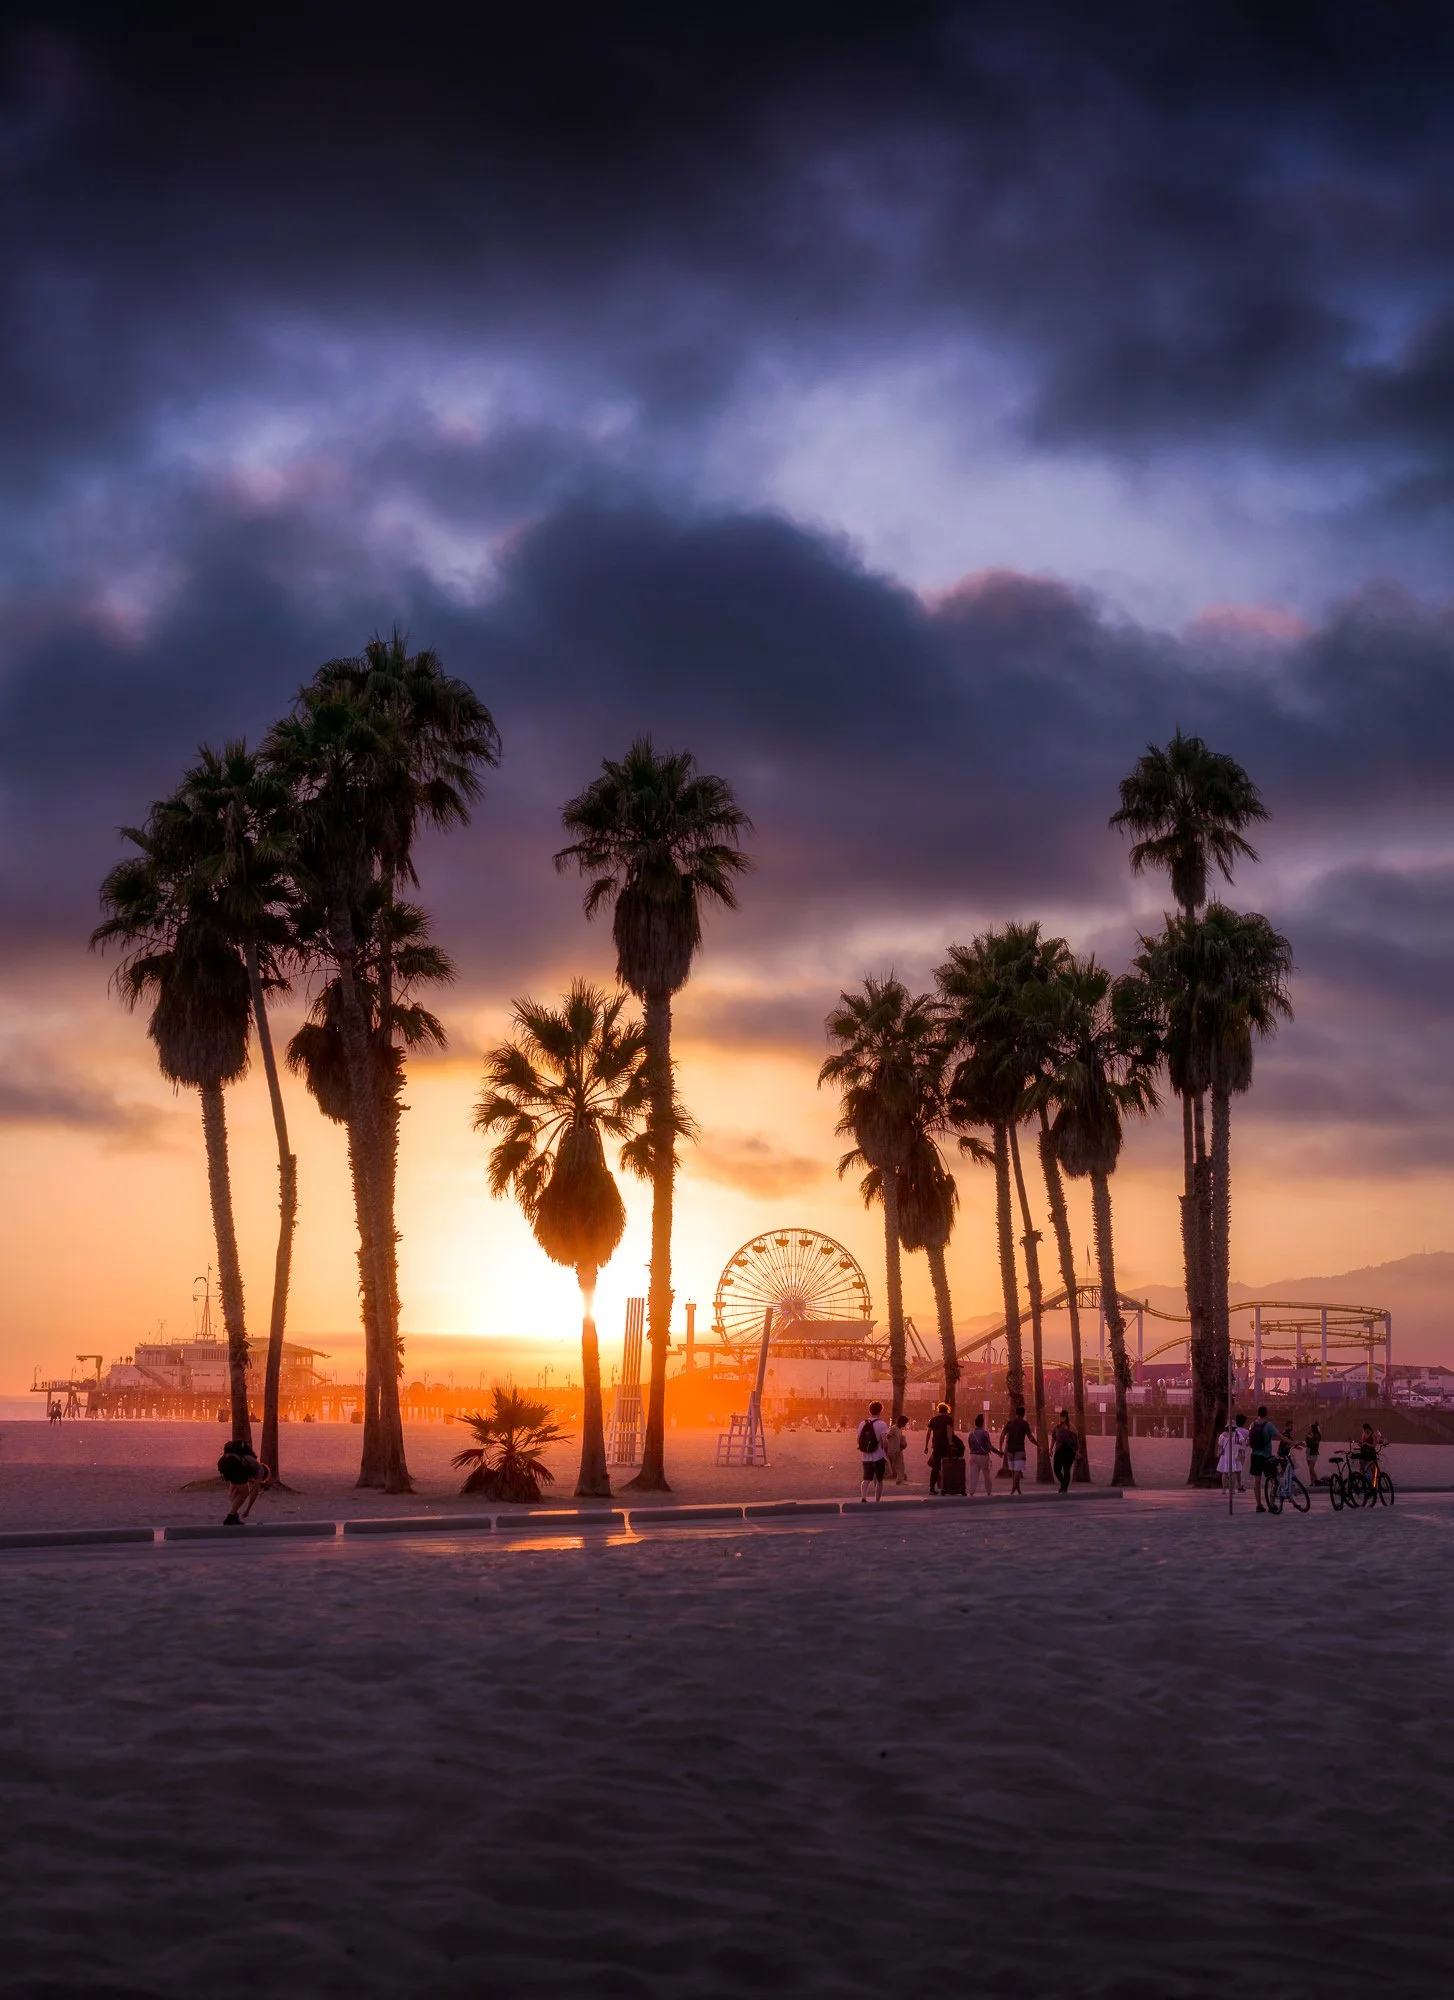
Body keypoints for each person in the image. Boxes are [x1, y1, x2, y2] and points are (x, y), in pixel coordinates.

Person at [218, 1436, 269, 1525]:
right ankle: (230, 1517)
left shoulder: (246, 1459)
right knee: (245, 1492)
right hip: (234, 1463)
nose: (253, 1481)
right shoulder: (260, 1470)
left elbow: (232, 1492)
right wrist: (248, 1509)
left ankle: (234, 1515)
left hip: (222, 1461)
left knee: (238, 1491)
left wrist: (235, 1510)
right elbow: (254, 1492)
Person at [998, 1401, 1037, 1497]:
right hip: (1019, 1450)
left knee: (1016, 1470)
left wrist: (1000, 1447)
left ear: (1016, 1413)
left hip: (1010, 1450)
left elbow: (1002, 1435)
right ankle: (1013, 1489)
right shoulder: (1024, 1423)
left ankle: (1018, 1489)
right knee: (1017, 1470)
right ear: (1023, 1414)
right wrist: (1038, 1445)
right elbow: (1030, 1437)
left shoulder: (1010, 1423)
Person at [1247, 1405, 1280, 1513]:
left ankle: (1259, 1505)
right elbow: (1280, 1436)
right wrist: (1293, 1442)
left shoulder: (1252, 1424)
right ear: (1266, 1413)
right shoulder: (1269, 1425)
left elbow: (1248, 1441)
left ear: (1258, 1413)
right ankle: (1271, 1504)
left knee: (1257, 1481)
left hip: (1255, 1456)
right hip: (1266, 1456)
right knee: (1273, 1480)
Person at [857, 1401, 889, 1503]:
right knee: (879, 1480)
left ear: (869, 1410)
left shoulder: (863, 1423)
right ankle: (877, 1500)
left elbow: (858, 1440)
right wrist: (886, 1452)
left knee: (866, 1479)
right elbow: (885, 1441)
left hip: (866, 1456)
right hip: (878, 1456)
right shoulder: (882, 1424)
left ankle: (863, 1497)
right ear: (881, 1410)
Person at [966, 1411, 999, 1497]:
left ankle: (971, 1492)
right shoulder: (985, 1433)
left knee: (973, 1475)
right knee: (986, 1475)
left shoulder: (971, 1434)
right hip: (983, 1456)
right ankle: (989, 1492)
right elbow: (989, 1446)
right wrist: (999, 1453)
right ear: (982, 1423)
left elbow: (970, 1445)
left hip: (972, 1456)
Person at [925, 1402, 956, 1493]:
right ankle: (946, 1487)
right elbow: (949, 1431)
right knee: (946, 1465)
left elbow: (928, 1433)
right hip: (945, 1445)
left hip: (936, 1445)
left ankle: (931, 1487)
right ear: (947, 1410)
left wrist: (926, 1446)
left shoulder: (933, 1419)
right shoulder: (948, 1419)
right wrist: (951, 1443)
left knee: (935, 1467)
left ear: (939, 1410)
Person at [1050, 1409, 1078, 1493]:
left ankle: (1065, 1487)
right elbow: (1053, 1439)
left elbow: (1075, 1441)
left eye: (1063, 1417)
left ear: (1066, 1417)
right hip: (1059, 1450)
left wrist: (1077, 1451)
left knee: (1066, 1469)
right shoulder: (1056, 1427)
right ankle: (1062, 1483)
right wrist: (1050, 1449)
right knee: (1056, 1469)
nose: (1061, 1418)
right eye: (1060, 1417)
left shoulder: (1071, 1427)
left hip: (1069, 1451)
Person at [884, 1413, 909, 1486]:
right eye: (905, 1423)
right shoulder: (894, 1428)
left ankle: (900, 1479)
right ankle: (898, 1479)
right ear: (902, 1422)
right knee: (897, 1465)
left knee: (899, 1465)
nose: (905, 1424)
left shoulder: (899, 1429)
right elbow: (887, 1436)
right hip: (893, 1450)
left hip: (898, 1449)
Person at [1305, 1418, 1323, 1486]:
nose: (1309, 1429)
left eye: (1310, 1428)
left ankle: (1316, 1480)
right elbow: (1307, 1443)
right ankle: (1312, 1482)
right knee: (1310, 1470)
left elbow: (1314, 1443)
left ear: (1312, 1428)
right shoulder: (1308, 1435)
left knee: (1311, 1468)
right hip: (1308, 1453)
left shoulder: (1316, 1436)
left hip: (1314, 1453)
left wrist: (1310, 1438)